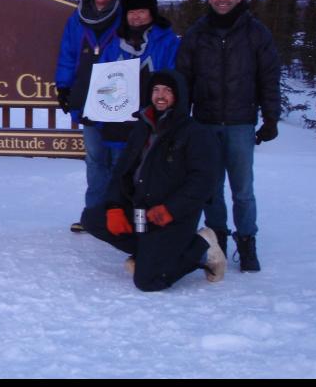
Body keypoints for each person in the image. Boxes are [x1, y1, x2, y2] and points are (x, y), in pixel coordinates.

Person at [81, 70, 225, 292]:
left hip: (171, 217)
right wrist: (115, 206)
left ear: (179, 96)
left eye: (168, 91)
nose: (161, 95)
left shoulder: (195, 133)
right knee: (93, 219)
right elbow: (122, 171)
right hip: (140, 209)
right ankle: (150, 254)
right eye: (156, 90)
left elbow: (204, 181)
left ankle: (202, 246)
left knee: (147, 281)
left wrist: (171, 209)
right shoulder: (143, 127)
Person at [176, 0, 280, 272]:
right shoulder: (197, 34)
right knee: (210, 189)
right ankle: (217, 241)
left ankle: (247, 243)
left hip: (240, 123)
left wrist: (271, 117)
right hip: (205, 123)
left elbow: (268, 77)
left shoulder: (256, 33)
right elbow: (183, 78)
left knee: (243, 190)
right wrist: (181, 119)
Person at [55, 0, 129, 233]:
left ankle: (119, 215)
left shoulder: (126, 17)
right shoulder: (77, 20)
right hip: (88, 97)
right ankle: (94, 214)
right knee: (96, 159)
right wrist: (63, 86)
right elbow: (68, 55)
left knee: (119, 159)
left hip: (120, 99)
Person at [99, 0, 180, 148]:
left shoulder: (168, 43)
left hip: (155, 127)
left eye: (141, 11)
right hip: (119, 127)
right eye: (131, 12)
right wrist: (98, 114)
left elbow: (175, 82)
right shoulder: (114, 45)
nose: (136, 17)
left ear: (151, 12)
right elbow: (101, 85)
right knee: (120, 171)